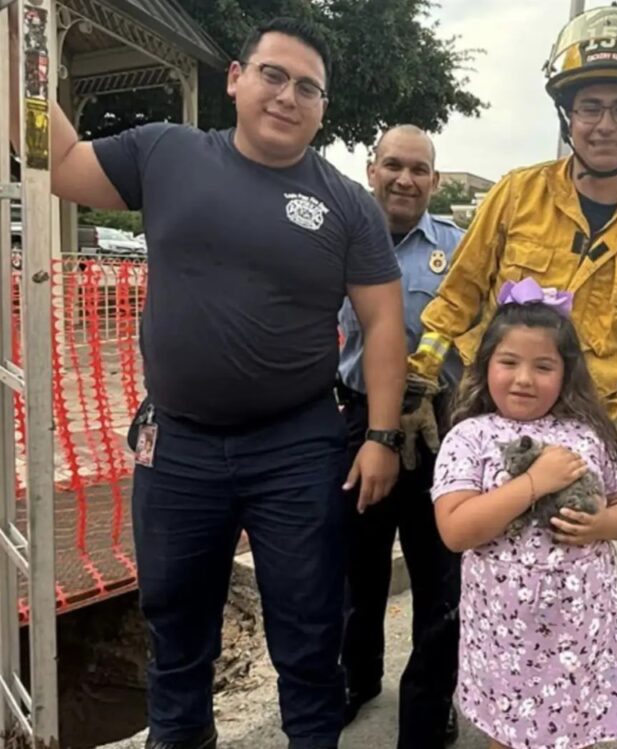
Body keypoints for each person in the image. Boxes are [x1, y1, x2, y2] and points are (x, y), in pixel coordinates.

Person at [7, 14, 407, 749]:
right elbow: (55, 159)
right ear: (235, 79)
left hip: (298, 446)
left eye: (308, 88)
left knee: (310, 627)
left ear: (324, 108)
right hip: (179, 446)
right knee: (175, 624)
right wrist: (15, 51)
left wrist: (381, 436)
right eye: (273, 76)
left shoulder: (347, 203)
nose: (288, 97)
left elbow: (383, 323)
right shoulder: (165, 151)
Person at [403, 5, 617, 515]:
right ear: (568, 115)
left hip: (594, 430)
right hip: (499, 422)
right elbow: (459, 295)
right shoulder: (516, 195)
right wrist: (418, 384)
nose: (605, 125)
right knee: (493, 557)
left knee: (574, 567)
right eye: (590, 107)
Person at [432, 277, 617, 749]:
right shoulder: (469, 437)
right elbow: (455, 529)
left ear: (566, 374)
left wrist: (603, 524)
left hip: (578, 627)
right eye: (508, 362)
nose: (524, 378)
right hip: (504, 632)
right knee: (510, 735)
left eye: (543, 366)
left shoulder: (590, 434)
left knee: (572, 730)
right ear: (486, 364)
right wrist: (535, 482)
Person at [336, 125, 461, 746]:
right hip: (357, 420)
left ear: (435, 181)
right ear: (371, 169)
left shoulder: (460, 254)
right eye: (393, 165)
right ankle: (357, 680)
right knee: (356, 566)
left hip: (442, 429)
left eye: (419, 169)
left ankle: (429, 706)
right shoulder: (339, 243)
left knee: (440, 575)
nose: (405, 179)